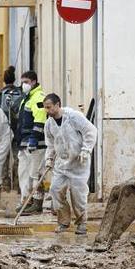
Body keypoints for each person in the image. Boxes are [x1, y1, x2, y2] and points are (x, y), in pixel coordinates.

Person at [42, 93, 97, 235]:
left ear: (57, 105)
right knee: (55, 190)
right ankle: (63, 222)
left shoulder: (74, 117)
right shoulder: (49, 124)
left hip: (78, 163)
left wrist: (86, 150)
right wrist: (49, 159)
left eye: (49, 107)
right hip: (61, 164)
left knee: (78, 195)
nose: (47, 111)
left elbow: (90, 131)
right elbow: (50, 144)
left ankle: (81, 223)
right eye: (45, 108)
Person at [16, 71, 48, 215]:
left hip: (36, 143)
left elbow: (40, 118)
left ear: (34, 82)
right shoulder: (27, 98)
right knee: (24, 173)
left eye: (27, 82)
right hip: (24, 141)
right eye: (23, 82)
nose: (24, 85)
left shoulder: (38, 98)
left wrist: (34, 137)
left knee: (35, 174)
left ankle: (36, 203)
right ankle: (26, 201)